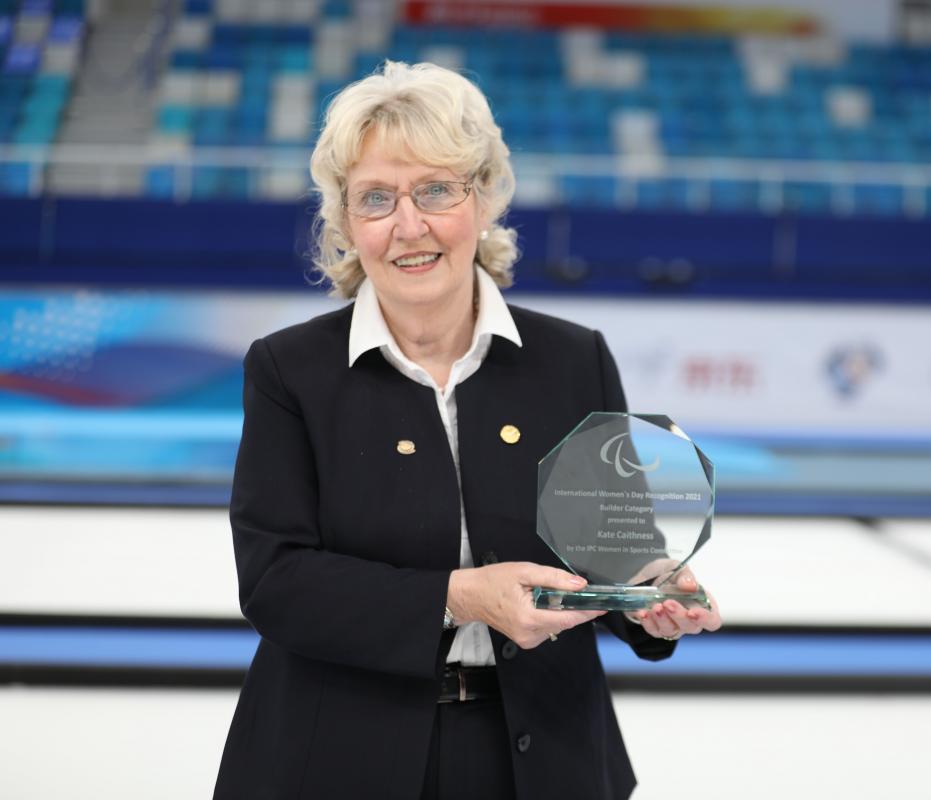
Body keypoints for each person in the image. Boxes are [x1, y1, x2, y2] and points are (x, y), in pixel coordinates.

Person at [214, 61, 721, 800]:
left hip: (544, 758)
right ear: (347, 223)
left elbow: (618, 557)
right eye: (377, 198)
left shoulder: (574, 359)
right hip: (337, 759)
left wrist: (656, 602)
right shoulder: (289, 370)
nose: (409, 225)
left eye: (437, 190)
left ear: (484, 199)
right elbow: (276, 584)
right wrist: (458, 596)